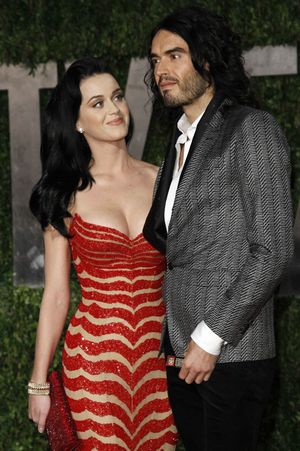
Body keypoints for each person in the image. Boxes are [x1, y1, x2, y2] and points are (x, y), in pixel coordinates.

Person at [143, 6, 294, 451]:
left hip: (229, 351)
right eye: (154, 60)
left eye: (175, 55)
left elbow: (272, 249)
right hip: (182, 352)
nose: (161, 70)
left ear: (208, 60)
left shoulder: (251, 129)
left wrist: (210, 338)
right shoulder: (179, 140)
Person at [27, 56, 178, 450]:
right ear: (77, 121)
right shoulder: (64, 194)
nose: (114, 109)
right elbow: (57, 295)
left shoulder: (165, 180)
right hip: (92, 363)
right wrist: (39, 382)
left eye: (117, 97)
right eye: (97, 103)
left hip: (160, 362)